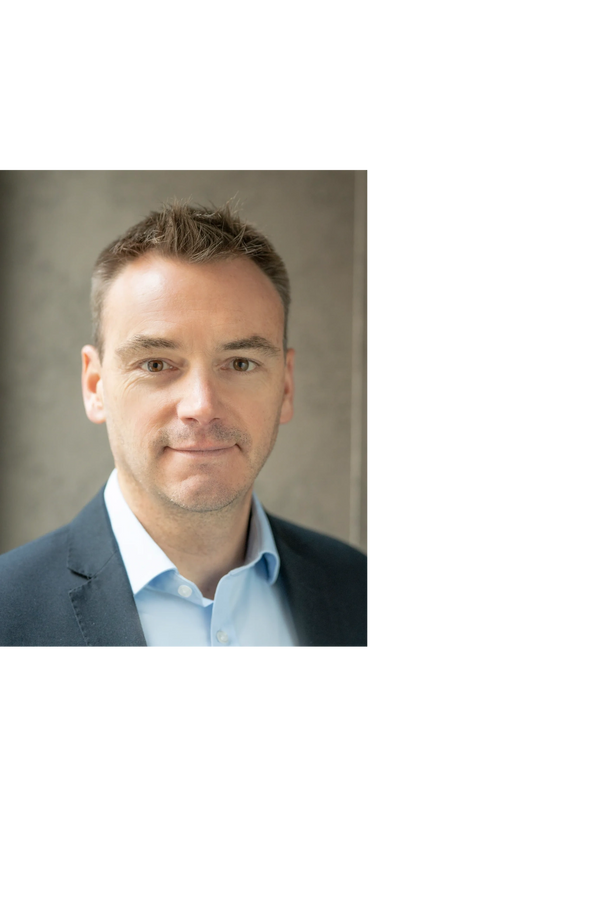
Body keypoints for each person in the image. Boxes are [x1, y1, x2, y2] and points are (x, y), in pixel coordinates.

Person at [0, 202, 370, 651]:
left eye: (240, 363)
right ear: (95, 386)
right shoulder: (8, 611)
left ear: (286, 386)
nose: (201, 405)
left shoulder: (358, 589)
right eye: (156, 364)